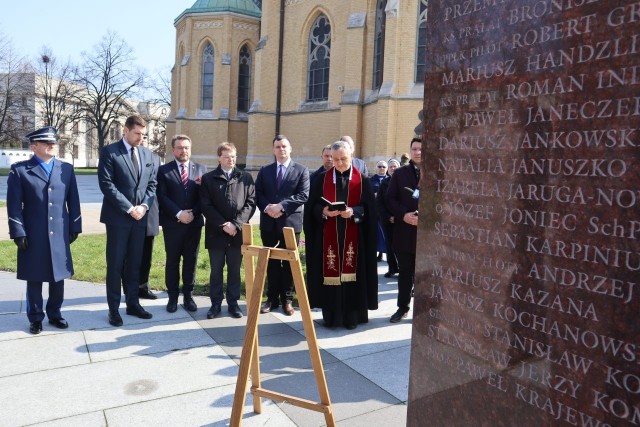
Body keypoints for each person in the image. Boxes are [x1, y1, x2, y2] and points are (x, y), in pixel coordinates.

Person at [6, 126, 82, 334]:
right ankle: (36, 318)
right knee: (35, 276)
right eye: (46, 142)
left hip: (60, 232)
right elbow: (14, 206)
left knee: (58, 276)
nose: (51, 145)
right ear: (33, 146)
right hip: (34, 233)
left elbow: (73, 201)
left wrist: (75, 225)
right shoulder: (20, 170)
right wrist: (18, 232)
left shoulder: (66, 169)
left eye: (53, 142)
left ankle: (55, 314)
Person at [304, 140, 378, 330]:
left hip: (355, 238)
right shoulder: (321, 179)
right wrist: (324, 212)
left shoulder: (363, 181)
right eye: (335, 159)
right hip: (328, 237)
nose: (339, 163)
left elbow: (370, 210)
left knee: (354, 277)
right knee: (330, 276)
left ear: (351, 156)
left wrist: (354, 212)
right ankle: (331, 317)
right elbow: (312, 208)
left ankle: (353, 317)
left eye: (343, 159)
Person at [98, 115, 157, 327]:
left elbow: (152, 184)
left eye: (143, 134)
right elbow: (106, 184)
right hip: (118, 219)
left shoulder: (148, 154)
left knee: (134, 264)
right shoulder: (110, 152)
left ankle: (133, 303)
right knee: (115, 264)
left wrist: (143, 206)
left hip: (140, 218)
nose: (141, 138)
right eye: (137, 134)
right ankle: (113, 309)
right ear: (126, 130)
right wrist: (129, 208)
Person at [200, 142, 256, 319]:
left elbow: (250, 203)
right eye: (226, 156)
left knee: (234, 270)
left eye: (233, 156)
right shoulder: (209, 179)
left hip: (236, 234)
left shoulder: (245, 177)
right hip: (216, 233)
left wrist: (236, 224)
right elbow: (205, 205)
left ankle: (233, 304)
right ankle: (215, 304)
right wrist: (224, 225)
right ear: (219, 157)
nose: (231, 160)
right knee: (216, 270)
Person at [255, 135, 309, 316]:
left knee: (288, 264)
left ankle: (287, 300)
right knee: (271, 261)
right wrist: (268, 207)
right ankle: (271, 299)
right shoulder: (265, 170)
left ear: (290, 148)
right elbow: (259, 194)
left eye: (284, 146)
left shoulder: (301, 170)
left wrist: (281, 207)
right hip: (269, 224)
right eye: (277, 147)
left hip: (290, 224)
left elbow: (303, 195)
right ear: (273, 150)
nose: (281, 149)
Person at [157, 134, 206, 313]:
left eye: (186, 147)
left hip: (194, 224)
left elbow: (205, 197)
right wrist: (178, 213)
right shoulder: (164, 171)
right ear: (173, 150)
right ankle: (172, 297)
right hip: (173, 224)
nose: (183, 151)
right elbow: (162, 196)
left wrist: (193, 213)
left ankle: (188, 296)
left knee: (191, 261)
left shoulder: (201, 169)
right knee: (172, 260)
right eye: (180, 147)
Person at [386, 137, 421, 323]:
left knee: (426, 275)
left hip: (428, 234)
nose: (418, 152)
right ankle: (402, 308)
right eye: (414, 149)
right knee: (406, 272)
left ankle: (425, 312)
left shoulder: (438, 170)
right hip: (405, 232)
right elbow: (390, 199)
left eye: (421, 149)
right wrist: (404, 215)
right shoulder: (400, 173)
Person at [122, 152, 160, 301]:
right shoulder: (124, 155)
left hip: (149, 210)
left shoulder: (154, 158)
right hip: (129, 210)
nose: (142, 138)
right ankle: (128, 288)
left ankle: (143, 287)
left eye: (145, 136)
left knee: (146, 253)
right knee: (128, 255)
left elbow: (156, 183)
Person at [376, 158, 400, 277]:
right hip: (387, 220)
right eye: (390, 167)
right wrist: (388, 217)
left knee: (401, 247)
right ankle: (392, 268)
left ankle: (402, 269)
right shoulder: (384, 183)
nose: (392, 168)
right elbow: (379, 202)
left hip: (401, 220)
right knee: (389, 246)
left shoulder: (402, 182)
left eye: (395, 166)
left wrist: (398, 216)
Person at [371, 160, 388, 261]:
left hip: (385, 210)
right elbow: (366, 193)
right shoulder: (371, 180)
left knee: (384, 233)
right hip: (374, 210)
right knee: (376, 233)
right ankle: (377, 252)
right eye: (380, 166)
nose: (381, 168)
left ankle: (384, 252)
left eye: (383, 167)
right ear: (376, 168)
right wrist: (374, 195)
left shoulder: (390, 180)